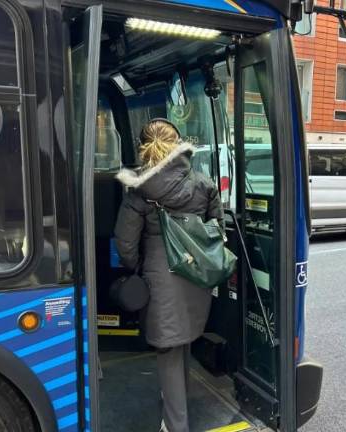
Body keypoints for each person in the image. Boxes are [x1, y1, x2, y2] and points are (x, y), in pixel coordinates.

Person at [114, 118, 223, 432]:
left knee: (169, 351)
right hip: (196, 276)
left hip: (160, 279)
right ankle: (177, 412)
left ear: (143, 147)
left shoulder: (139, 189)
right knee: (183, 342)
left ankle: (176, 425)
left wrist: (139, 268)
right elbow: (218, 231)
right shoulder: (204, 183)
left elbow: (125, 243)